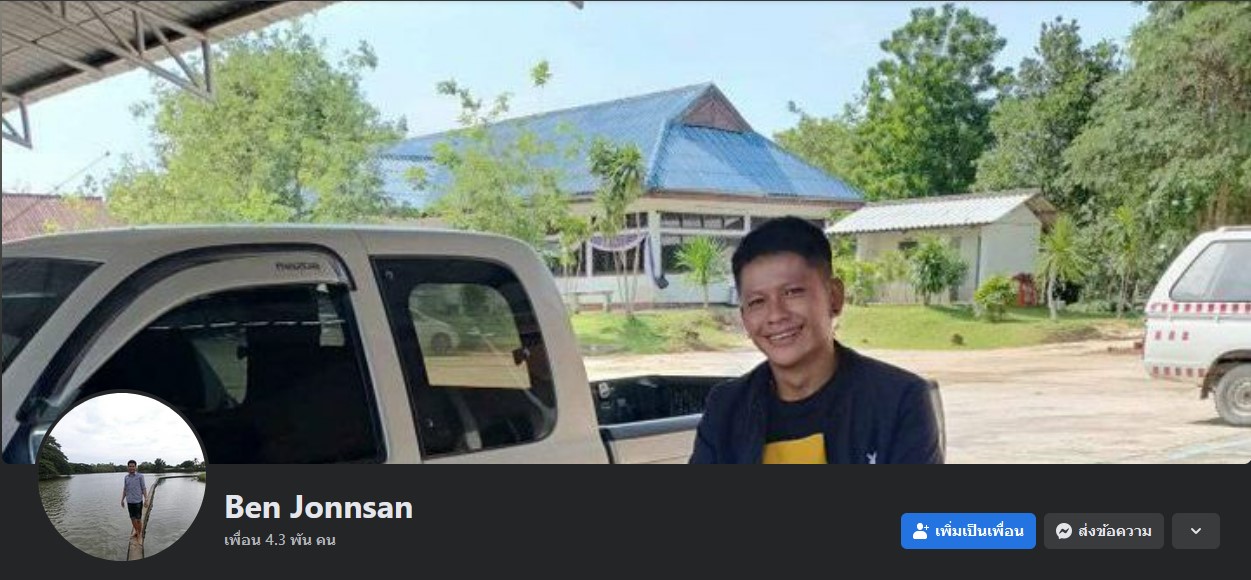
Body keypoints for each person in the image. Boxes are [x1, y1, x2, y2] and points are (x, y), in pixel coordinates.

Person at [689, 216, 943, 464]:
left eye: (792, 292)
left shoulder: (898, 400)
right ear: (744, 317)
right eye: (757, 302)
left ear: (834, 296)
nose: (776, 315)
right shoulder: (726, 408)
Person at [120, 460, 147, 540]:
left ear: (135, 467)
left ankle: (139, 534)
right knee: (132, 518)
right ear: (128, 467)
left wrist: (146, 499)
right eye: (130, 466)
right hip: (129, 501)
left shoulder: (140, 476)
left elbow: (143, 488)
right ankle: (137, 531)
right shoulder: (126, 477)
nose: (131, 468)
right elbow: (125, 489)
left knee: (138, 519)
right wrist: (122, 500)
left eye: (133, 466)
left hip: (138, 501)